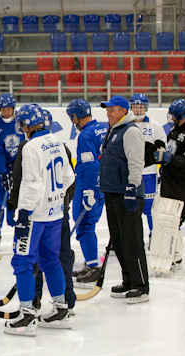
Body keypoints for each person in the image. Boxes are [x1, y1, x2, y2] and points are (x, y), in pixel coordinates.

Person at [4, 105, 75, 336]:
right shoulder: (56, 141)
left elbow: (32, 184)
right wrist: (54, 200)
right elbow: (68, 177)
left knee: (23, 262)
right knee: (51, 261)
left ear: (26, 124)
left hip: (35, 216)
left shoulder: (31, 146)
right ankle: (61, 310)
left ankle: (26, 315)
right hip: (55, 215)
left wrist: (23, 213)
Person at [100, 96, 149, 304]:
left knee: (132, 241)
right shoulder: (114, 130)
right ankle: (128, 280)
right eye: (107, 110)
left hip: (126, 194)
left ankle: (141, 286)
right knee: (118, 241)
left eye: (112, 110)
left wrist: (132, 187)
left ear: (123, 111)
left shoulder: (130, 131)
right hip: (112, 193)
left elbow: (137, 161)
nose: (108, 113)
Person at [154, 99, 185, 273]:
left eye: (174, 114)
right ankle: (176, 255)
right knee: (168, 218)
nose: (171, 117)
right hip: (170, 180)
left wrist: (169, 159)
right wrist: (163, 163)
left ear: (182, 115)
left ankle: (174, 256)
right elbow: (172, 153)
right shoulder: (174, 131)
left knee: (175, 219)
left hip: (184, 184)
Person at [65, 99, 107, 286]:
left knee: (84, 226)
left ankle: (93, 267)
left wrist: (89, 189)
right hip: (101, 183)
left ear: (75, 116)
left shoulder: (85, 135)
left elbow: (89, 164)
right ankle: (90, 263)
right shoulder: (102, 128)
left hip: (88, 183)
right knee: (88, 225)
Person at [129, 93, 167, 240]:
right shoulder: (126, 124)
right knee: (130, 207)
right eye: (135, 106)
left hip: (149, 173)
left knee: (150, 207)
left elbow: (162, 150)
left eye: (141, 106)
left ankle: (154, 235)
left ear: (146, 107)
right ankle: (131, 237)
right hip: (131, 173)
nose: (138, 109)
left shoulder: (155, 126)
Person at [0, 93, 20, 251]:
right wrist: (2, 172)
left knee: (19, 202)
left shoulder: (21, 121)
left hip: (20, 167)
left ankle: (20, 236)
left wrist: (16, 171)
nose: (6, 112)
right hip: (2, 165)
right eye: (3, 109)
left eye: (9, 109)